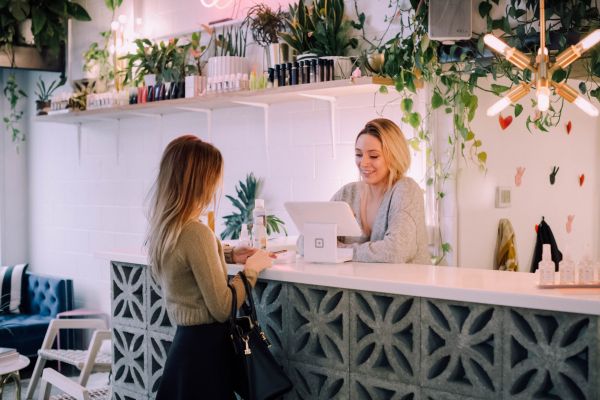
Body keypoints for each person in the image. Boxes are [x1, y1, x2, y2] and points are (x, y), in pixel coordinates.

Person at [146, 135, 273, 400]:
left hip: (185, 351)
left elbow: (186, 261)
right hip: (206, 357)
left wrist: (226, 254)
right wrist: (251, 269)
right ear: (201, 181)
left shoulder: (167, 228)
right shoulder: (196, 233)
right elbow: (222, 307)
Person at [302, 118, 430, 264]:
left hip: (402, 285)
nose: (363, 163)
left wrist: (343, 251)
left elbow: (396, 251)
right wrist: (331, 238)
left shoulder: (406, 190)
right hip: (356, 284)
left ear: (395, 156)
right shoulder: (347, 193)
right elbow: (305, 242)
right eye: (358, 154)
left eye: (374, 156)